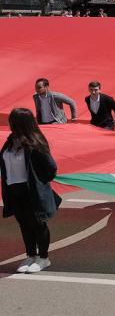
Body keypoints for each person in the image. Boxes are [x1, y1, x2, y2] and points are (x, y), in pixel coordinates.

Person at [1, 108, 61, 274]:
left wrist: (39, 182)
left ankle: (43, 258)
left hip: (32, 191)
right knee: (24, 225)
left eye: (12, 120)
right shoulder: (11, 141)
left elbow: (51, 168)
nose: (9, 123)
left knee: (38, 224)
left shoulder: (35, 142)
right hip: (14, 189)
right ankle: (30, 255)